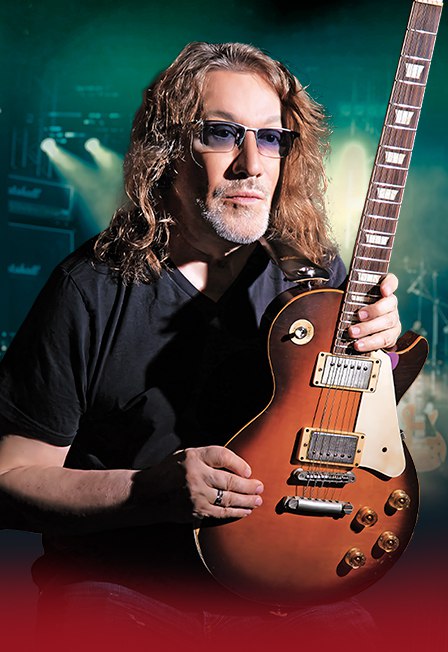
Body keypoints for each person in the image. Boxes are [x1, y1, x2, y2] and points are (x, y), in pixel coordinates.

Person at [0, 42, 401, 648]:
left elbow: (351, 428)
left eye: (271, 138)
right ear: (166, 150)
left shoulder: (313, 277)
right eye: (221, 133)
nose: (252, 164)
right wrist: (143, 493)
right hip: (127, 590)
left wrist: (380, 352)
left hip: (287, 592)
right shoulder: (88, 289)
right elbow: (10, 476)